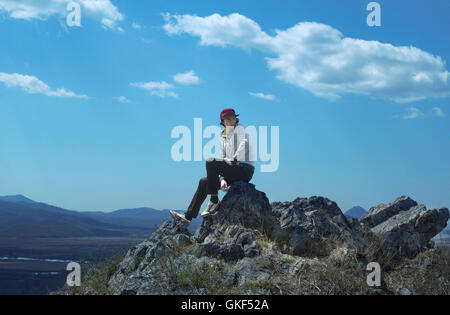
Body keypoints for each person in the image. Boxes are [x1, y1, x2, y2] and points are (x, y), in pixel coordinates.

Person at [170, 108, 255, 226]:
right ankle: (188, 216)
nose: (231, 121)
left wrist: (233, 158)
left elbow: (245, 144)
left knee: (211, 161)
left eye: (233, 118)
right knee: (204, 182)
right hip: (233, 170)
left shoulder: (240, 129)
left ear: (236, 119)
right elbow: (223, 158)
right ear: (223, 122)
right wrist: (222, 179)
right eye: (227, 119)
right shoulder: (223, 136)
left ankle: (214, 200)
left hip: (244, 169)